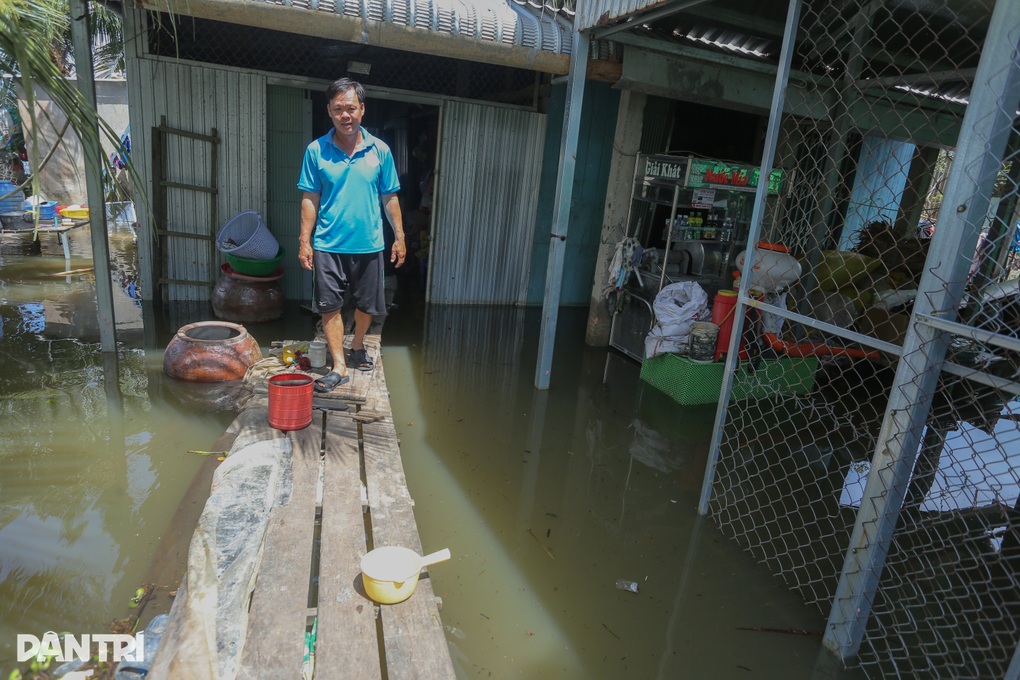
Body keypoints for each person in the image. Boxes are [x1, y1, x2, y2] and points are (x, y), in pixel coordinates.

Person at [297, 78, 405, 393]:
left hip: (370, 243)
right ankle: (340, 366)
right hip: (328, 244)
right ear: (329, 112)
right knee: (329, 305)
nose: (346, 115)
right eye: (338, 109)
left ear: (362, 110)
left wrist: (399, 236)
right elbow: (310, 198)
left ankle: (358, 343)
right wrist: (305, 240)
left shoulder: (380, 151)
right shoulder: (316, 150)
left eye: (351, 108)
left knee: (367, 304)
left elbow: (390, 198)